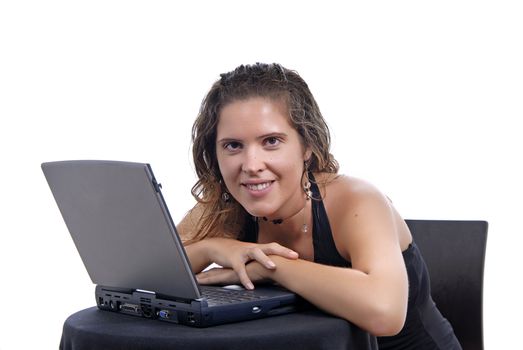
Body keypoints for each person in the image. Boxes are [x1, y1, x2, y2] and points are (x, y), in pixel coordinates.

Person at [177, 63, 462, 350]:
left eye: (271, 141)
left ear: (307, 146)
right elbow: (143, 275)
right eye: (233, 146)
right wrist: (212, 248)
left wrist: (271, 268)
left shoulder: (356, 201)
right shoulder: (226, 204)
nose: (251, 165)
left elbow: (385, 312)